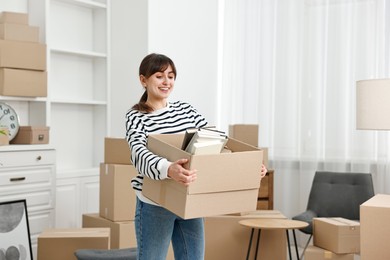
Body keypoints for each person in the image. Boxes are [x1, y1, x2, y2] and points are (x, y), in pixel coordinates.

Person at [125, 53, 267, 260]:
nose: (166, 82)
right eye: (159, 76)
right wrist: (169, 169)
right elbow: (139, 155)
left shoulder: (186, 110)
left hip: (191, 199)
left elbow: (217, 140)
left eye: (171, 76)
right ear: (143, 80)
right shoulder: (136, 117)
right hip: (156, 204)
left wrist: (248, 164)